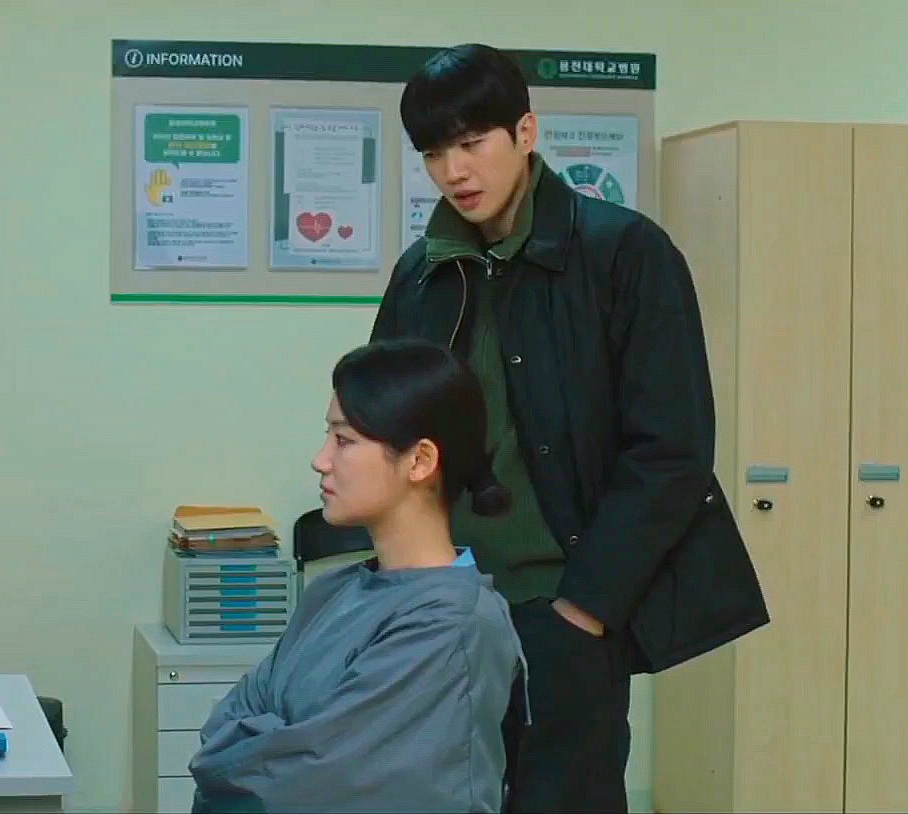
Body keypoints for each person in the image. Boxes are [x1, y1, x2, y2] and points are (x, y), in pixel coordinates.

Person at [372, 44, 771, 813]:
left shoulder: (624, 253)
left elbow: (673, 450)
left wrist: (584, 610)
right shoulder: (422, 273)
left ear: (525, 133)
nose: (454, 171)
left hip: (562, 609)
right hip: (444, 605)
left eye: (471, 143)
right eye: (433, 153)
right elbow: (387, 432)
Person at [188, 338, 525, 814]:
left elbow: (316, 785)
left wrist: (268, 741)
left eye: (343, 440)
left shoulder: (453, 624)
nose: (321, 459)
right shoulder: (333, 590)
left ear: (420, 461)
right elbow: (227, 723)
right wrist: (273, 746)